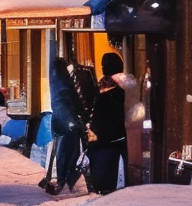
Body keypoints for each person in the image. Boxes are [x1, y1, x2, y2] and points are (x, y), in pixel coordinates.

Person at [42, 54, 86, 195]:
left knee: (63, 153)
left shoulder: (56, 80)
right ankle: (66, 182)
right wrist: (79, 119)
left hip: (62, 122)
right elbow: (70, 99)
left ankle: (63, 181)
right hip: (68, 123)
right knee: (70, 153)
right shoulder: (63, 82)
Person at [86, 51, 128, 195]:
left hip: (107, 139)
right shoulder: (120, 87)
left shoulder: (107, 88)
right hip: (109, 137)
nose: (103, 67)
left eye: (106, 65)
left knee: (105, 177)